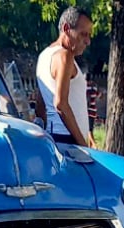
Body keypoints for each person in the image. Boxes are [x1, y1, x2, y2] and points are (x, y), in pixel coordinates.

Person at [36, 7, 94, 147]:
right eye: (83, 34)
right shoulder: (64, 56)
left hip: (55, 137)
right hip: (69, 140)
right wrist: (83, 145)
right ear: (67, 28)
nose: (88, 41)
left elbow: (40, 106)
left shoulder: (44, 56)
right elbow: (60, 104)